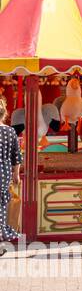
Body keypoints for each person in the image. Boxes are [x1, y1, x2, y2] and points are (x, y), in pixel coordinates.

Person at [0, 97, 22, 252]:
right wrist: (16, 174)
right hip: (4, 174)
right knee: (1, 207)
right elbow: (16, 155)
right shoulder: (10, 131)